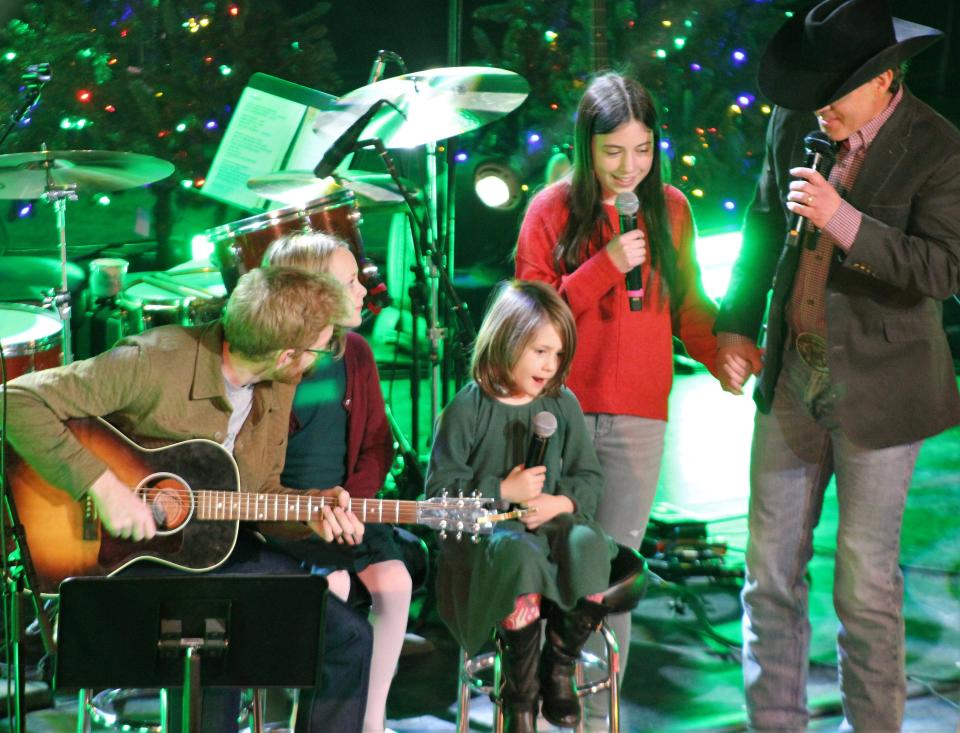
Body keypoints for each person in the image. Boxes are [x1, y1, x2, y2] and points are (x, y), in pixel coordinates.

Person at [714, 1, 960, 730]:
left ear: (884, 81)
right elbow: (763, 223)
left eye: (835, 93)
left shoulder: (937, 146)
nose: (819, 108)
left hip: (883, 388)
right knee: (768, 578)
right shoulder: (795, 125)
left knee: (863, 584)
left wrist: (842, 219)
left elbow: (942, 269)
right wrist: (734, 323)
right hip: (794, 375)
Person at [1, 266, 374, 733]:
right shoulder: (153, 362)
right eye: (322, 347)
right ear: (287, 354)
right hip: (122, 559)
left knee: (347, 638)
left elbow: (258, 495)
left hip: (214, 551)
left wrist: (307, 516)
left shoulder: (280, 384)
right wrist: (103, 485)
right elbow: (15, 401)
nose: (324, 357)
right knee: (214, 651)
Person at [514, 70, 719, 724]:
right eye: (613, 152)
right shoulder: (550, 209)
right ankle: (531, 707)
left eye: (643, 150)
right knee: (547, 565)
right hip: (557, 417)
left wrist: (727, 356)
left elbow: (691, 308)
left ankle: (598, 716)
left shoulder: (673, 209)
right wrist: (606, 266)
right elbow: (530, 317)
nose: (629, 167)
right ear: (586, 146)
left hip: (637, 417)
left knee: (607, 573)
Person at [425, 280, 616, 733]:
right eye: (539, 352)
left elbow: (589, 479)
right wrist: (500, 491)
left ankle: (558, 666)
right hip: (488, 542)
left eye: (557, 355)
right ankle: (520, 696)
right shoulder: (467, 409)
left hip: (547, 531)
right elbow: (436, 503)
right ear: (508, 340)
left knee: (591, 544)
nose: (550, 366)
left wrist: (559, 502)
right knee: (518, 555)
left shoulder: (561, 404)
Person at [263, 232, 410, 733]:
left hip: (351, 509)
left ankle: (371, 719)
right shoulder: (273, 363)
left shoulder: (357, 354)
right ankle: (304, 717)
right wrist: (311, 513)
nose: (364, 289)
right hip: (286, 517)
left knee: (395, 583)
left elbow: (376, 444)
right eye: (350, 281)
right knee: (335, 586)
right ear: (312, 292)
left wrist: (356, 502)